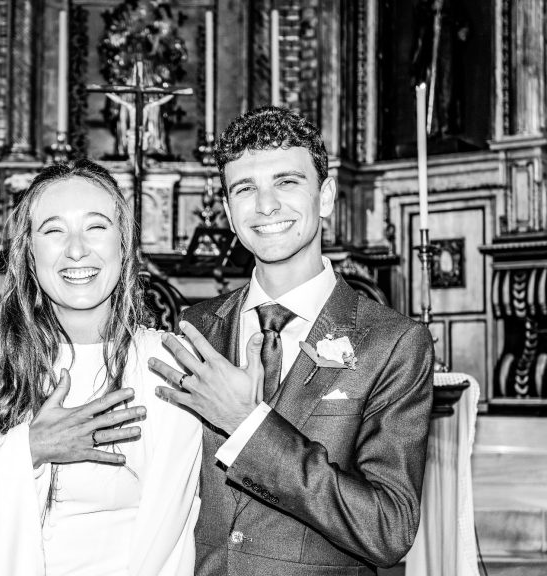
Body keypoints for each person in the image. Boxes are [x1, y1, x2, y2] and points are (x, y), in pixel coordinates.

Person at [150, 106, 434, 575]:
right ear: (227, 209)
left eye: (286, 182)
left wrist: (247, 425)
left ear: (324, 196)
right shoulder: (195, 325)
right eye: (245, 189)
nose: (265, 206)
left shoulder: (395, 344)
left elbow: (389, 529)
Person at [0, 160, 202, 576]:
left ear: (124, 243)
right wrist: (28, 449)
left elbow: (188, 521)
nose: (76, 248)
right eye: (53, 230)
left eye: (96, 227)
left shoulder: (167, 363)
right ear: (29, 251)